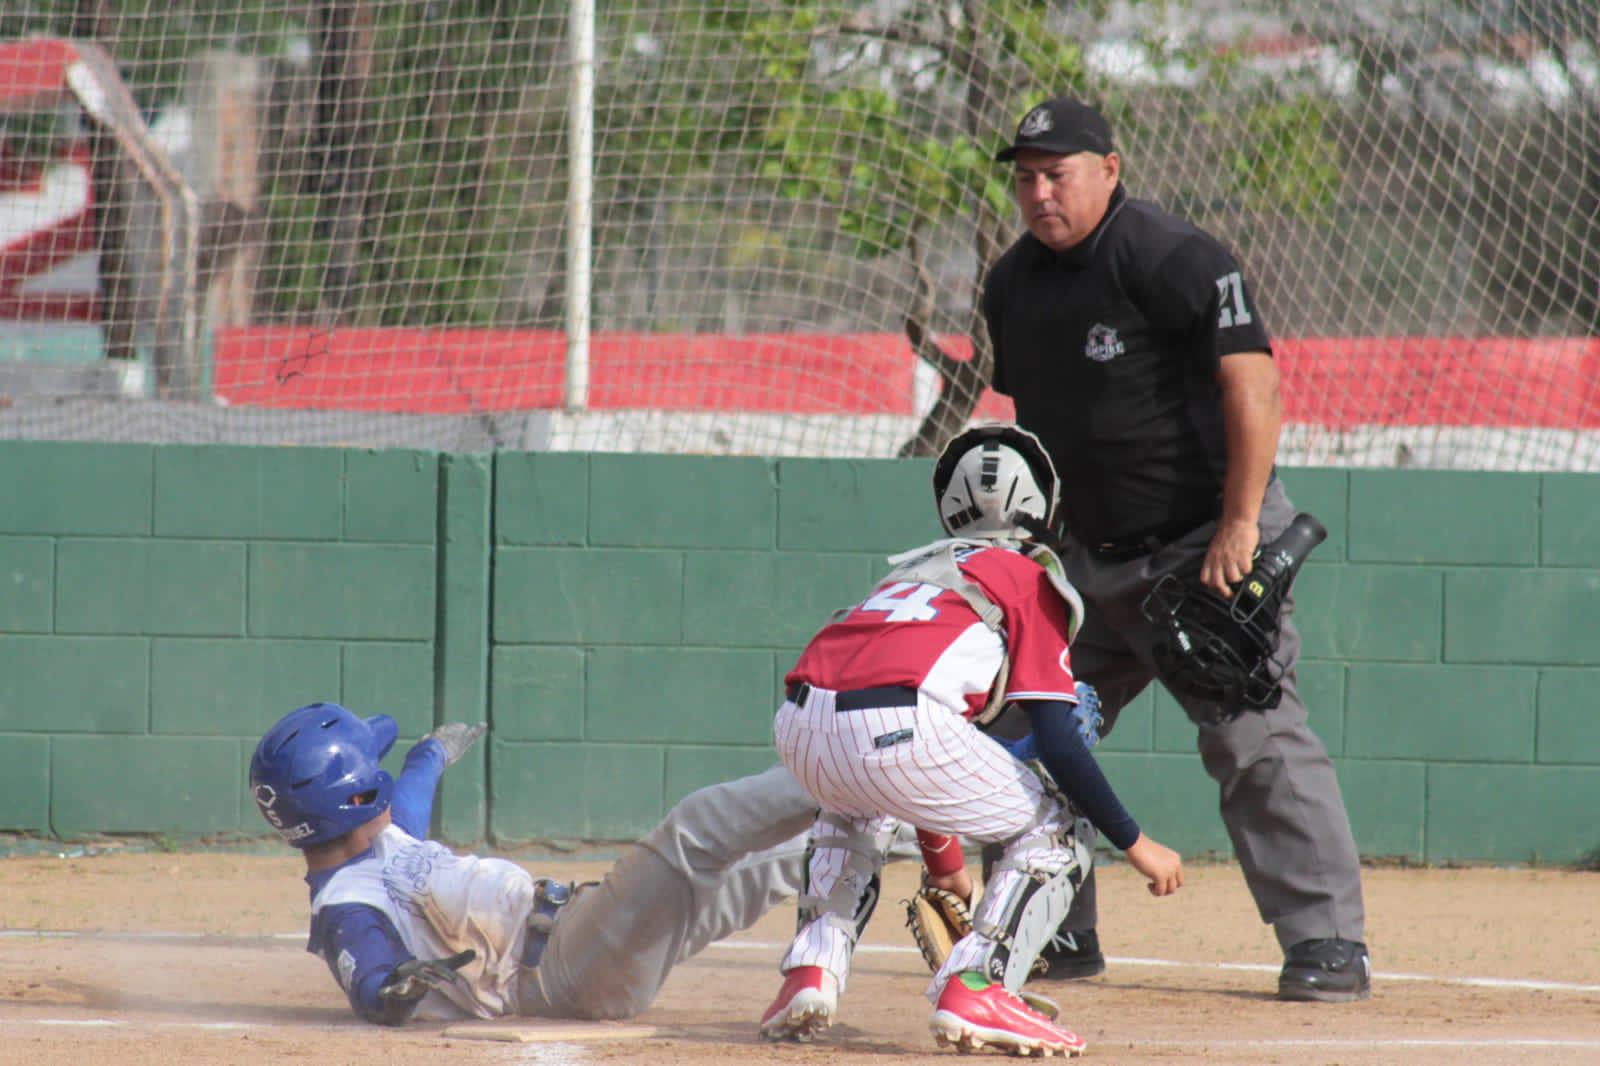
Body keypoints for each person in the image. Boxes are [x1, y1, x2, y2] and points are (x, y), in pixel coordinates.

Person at [979, 94, 1370, 1002]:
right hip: (1090, 560)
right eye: (1026, 177)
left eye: (1057, 173)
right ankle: (1053, 925)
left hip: (1206, 543)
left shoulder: (1168, 256)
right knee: (1012, 732)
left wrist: (1239, 525)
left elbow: (1255, 385)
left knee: (1254, 736)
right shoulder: (1011, 283)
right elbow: (1040, 424)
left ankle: (1328, 943)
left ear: (1109, 170)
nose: (1039, 192)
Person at [758, 424, 1184, 1057]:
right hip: (900, 729)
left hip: (802, 723)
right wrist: (1136, 842)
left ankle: (810, 972)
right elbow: (1059, 743)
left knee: (853, 804)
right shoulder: (1027, 577)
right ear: (1042, 506)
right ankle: (977, 984)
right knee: (1060, 830)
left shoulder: (911, 572)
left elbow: (905, 744)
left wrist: (946, 868)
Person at [248, 701, 818, 1025]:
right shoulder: (344, 904)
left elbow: (413, 796)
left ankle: (883, 815)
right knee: (698, 826)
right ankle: (841, 769)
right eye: (376, 764)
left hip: (581, 934)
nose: (388, 774)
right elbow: (364, 971)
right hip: (559, 970)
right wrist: (391, 987)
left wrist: (430, 754)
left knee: (786, 856)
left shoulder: (381, 841)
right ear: (355, 796)